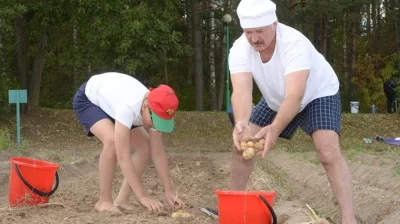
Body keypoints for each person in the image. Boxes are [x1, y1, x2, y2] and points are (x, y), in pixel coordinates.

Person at [228, 1, 357, 223]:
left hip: (317, 93)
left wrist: (276, 128)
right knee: (242, 144)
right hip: (275, 99)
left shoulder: (294, 44)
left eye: (260, 31)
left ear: (274, 24)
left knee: (327, 151)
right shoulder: (239, 49)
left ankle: (349, 218)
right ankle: (232, 209)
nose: (254, 38)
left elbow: (295, 96)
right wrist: (241, 121)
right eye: (249, 32)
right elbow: (241, 91)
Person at [72, 72, 183, 214]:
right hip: (90, 100)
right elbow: (123, 157)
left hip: (115, 103)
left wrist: (169, 190)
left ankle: (122, 201)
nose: (155, 125)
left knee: (145, 146)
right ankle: (104, 201)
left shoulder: (155, 109)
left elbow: (158, 152)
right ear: (145, 107)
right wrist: (142, 196)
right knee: (112, 141)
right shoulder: (128, 107)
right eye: (154, 121)